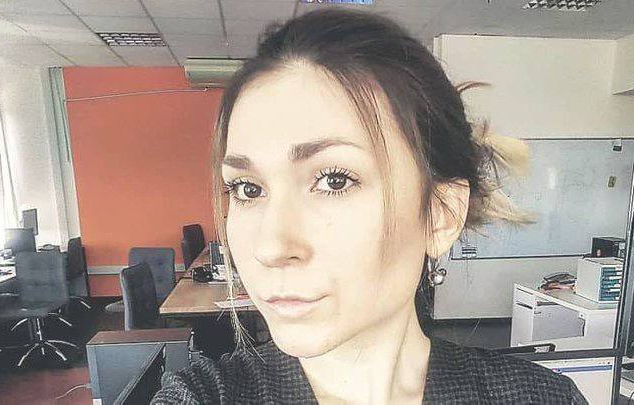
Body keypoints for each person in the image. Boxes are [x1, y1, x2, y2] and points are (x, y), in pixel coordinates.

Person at [153, 8, 586, 405]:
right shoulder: (204, 397)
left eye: (334, 180)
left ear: (440, 214)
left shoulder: (542, 398)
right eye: (247, 189)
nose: (271, 247)